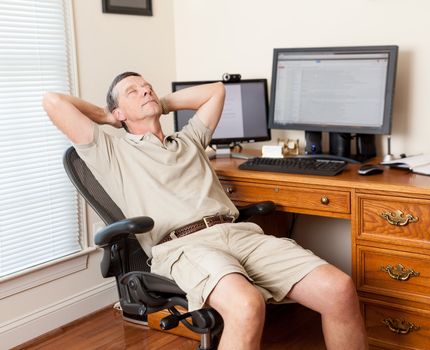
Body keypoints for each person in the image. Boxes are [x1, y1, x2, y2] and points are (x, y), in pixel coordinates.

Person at [43, 72, 368, 350]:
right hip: (183, 246)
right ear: (119, 113)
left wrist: (160, 103)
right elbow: (53, 102)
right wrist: (104, 115)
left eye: (148, 87)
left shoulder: (189, 140)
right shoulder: (112, 152)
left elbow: (217, 91)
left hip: (239, 234)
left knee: (338, 289)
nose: (145, 90)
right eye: (133, 91)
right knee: (246, 304)